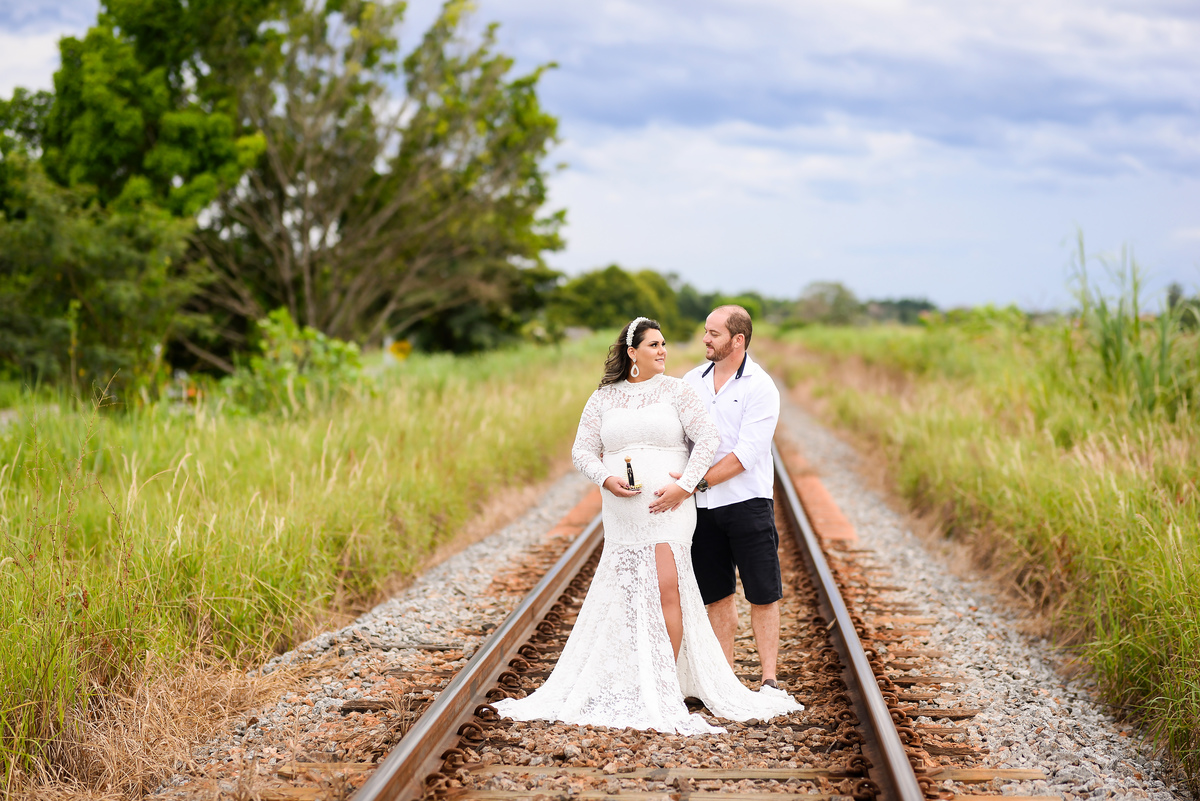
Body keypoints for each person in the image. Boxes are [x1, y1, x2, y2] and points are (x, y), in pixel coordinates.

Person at [494, 317, 801, 734]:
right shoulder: (603, 398)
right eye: (653, 345)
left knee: (667, 586)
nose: (663, 351)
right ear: (631, 352)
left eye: (663, 344)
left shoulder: (679, 390)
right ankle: (632, 678)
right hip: (623, 510)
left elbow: (707, 440)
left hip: (671, 507)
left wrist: (687, 486)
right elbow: (582, 450)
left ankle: (665, 684)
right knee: (627, 591)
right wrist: (605, 478)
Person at [671, 305, 785, 690]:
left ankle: (768, 677)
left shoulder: (760, 387)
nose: (705, 338)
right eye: (705, 331)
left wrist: (692, 483)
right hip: (702, 512)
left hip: (748, 504)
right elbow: (678, 440)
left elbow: (745, 455)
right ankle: (725, 679)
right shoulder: (690, 381)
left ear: (738, 340)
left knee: (762, 593)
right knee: (717, 596)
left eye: (713, 333)